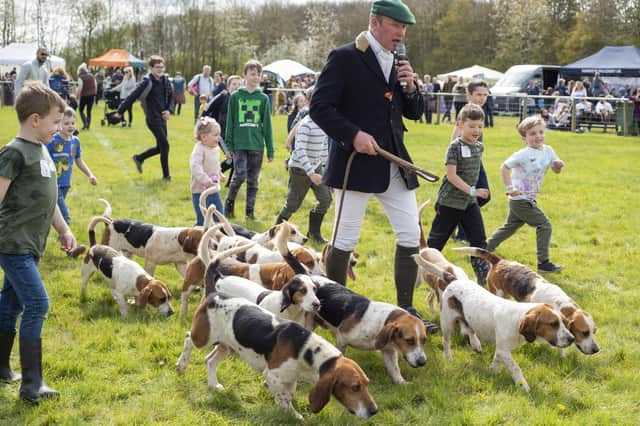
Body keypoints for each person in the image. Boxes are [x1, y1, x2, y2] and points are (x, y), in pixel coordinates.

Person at [310, 0, 437, 331]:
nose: (401, 33)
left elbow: (414, 113)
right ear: (376, 22)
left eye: (404, 28)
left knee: (411, 234)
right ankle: (335, 308)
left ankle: (406, 307)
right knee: (345, 239)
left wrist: (411, 88)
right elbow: (319, 107)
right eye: (396, 26)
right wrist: (353, 135)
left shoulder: (400, 60)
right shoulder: (344, 57)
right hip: (355, 163)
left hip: (394, 163)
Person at [0, 81, 79, 402]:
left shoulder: (42, 150)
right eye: (55, 122)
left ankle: (1, 368)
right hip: (13, 243)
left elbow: (49, 200)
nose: (59, 128)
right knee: (38, 304)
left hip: (31, 244)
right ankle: (32, 385)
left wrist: (63, 229)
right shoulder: (14, 152)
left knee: (12, 303)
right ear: (35, 120)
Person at [486, 115, 565, 273]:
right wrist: (509, 187)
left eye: (541, 132)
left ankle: (483, 249)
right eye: (532, 134)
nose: (538, 136)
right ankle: (543, 263)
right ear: (524, 138)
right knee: (545, 225)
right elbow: (504, 167)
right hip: (519, 199)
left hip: (529, 197)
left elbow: (555, 170)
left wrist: (558, 165)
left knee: (509, 228)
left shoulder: (548, 151)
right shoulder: (522, 154)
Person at [426, 104, 491, 285]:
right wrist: (473, 190)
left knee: (479, 241)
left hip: (469, 204)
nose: (476, 130)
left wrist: (476, 192)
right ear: (461, 125)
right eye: (472, 126)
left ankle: (483, 277)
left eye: (479, 126)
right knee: (435, 244)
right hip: (449, 203)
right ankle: (423, 272)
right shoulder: (454, 147)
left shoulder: (479, 147)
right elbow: (452, 176)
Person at [223, 60, 274, 220]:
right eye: (252, 73)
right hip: (239, 145)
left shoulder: (264, 98)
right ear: (244, 75)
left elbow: (267, 125)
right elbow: (230, 122)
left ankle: (249, 213)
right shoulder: (236, 97)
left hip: (257, 145)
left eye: (258, 74)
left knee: (253, 180)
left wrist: (270, 149)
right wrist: (229, 145)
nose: (256, 77)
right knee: (239, 175)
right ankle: (228, 207)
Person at [275, 111, 331, 243]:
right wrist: (311, 173)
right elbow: (299, 149)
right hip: (299, 169)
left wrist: (324, 168)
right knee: (292, 205)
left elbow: (323, 147)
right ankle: (275, 233)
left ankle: (313, 233)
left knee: (325, 199)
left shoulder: (324, 123)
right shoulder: (306, 124)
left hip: (316, 167)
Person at [115, 55, 173, 181]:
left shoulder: (166, 80)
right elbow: (133, 95)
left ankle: (139, 158)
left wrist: (169, 110)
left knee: (160, 147)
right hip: (152, 119)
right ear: (150, 68)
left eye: (162, 67)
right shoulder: (147, 81)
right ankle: (166, 176)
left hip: (163, 119)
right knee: (165, 145)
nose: (160, 69)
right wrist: (120, 110)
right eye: (157, 67)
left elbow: (171, 96)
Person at [450, 81, 491, 244]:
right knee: (477, 195)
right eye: (479, 94)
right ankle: (461, 230)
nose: (482, 98)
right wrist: (455, 159)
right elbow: (454, 136)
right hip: (465, 160)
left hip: (475, 159)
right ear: (469, 94)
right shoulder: (466, 112)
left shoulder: (479, 111)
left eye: (485, 95)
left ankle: (456, 225)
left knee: (480, 196)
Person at [46, 107, 98, 224]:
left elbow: (79, 161)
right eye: (66, 123)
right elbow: (43, 159)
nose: (70, 126)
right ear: (59, 124)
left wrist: (90, 175)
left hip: (65, 184)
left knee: (53, 213)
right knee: (65, 216)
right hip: (53, 184)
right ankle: (66, 240)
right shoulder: (52, 141)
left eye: (73, 123)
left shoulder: (75, 142)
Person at [190, 117, 225, 226]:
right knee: (203, 219)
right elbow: (195, 167)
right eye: (215, 135)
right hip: (200, 191)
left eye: (219, 134)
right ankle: (196, 236)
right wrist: (205, 179)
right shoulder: (199, 150)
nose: (218, 138)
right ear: (204, 137)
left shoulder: (215, 149)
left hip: (213, 189)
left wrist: (220, 173)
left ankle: (220, 235)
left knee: (219, 215)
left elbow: (216, 163)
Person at [76, 63, 97, 130]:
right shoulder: (91, 76)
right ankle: (88, 126)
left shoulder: (81, 77)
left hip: (84, 95)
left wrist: (77, 96)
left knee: (81, 110)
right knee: (89, 111)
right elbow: (95, 85)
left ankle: (85, 123)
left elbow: (80, 87)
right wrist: (94, 93)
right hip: (92, 95)